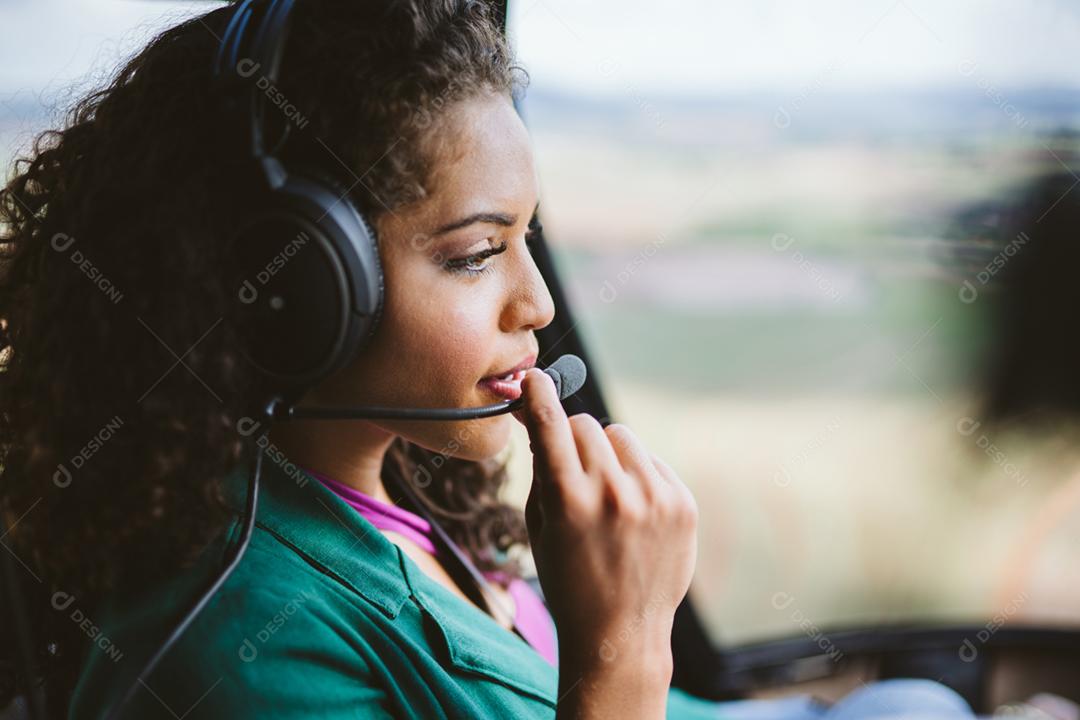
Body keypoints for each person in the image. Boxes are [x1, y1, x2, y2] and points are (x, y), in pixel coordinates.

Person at [0, 1, 976, 717]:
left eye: (528, 238)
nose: (541, 305)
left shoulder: (399, 489)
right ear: (295, 290)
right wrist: (625, 645)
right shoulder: (239, 657)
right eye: (475, 254)